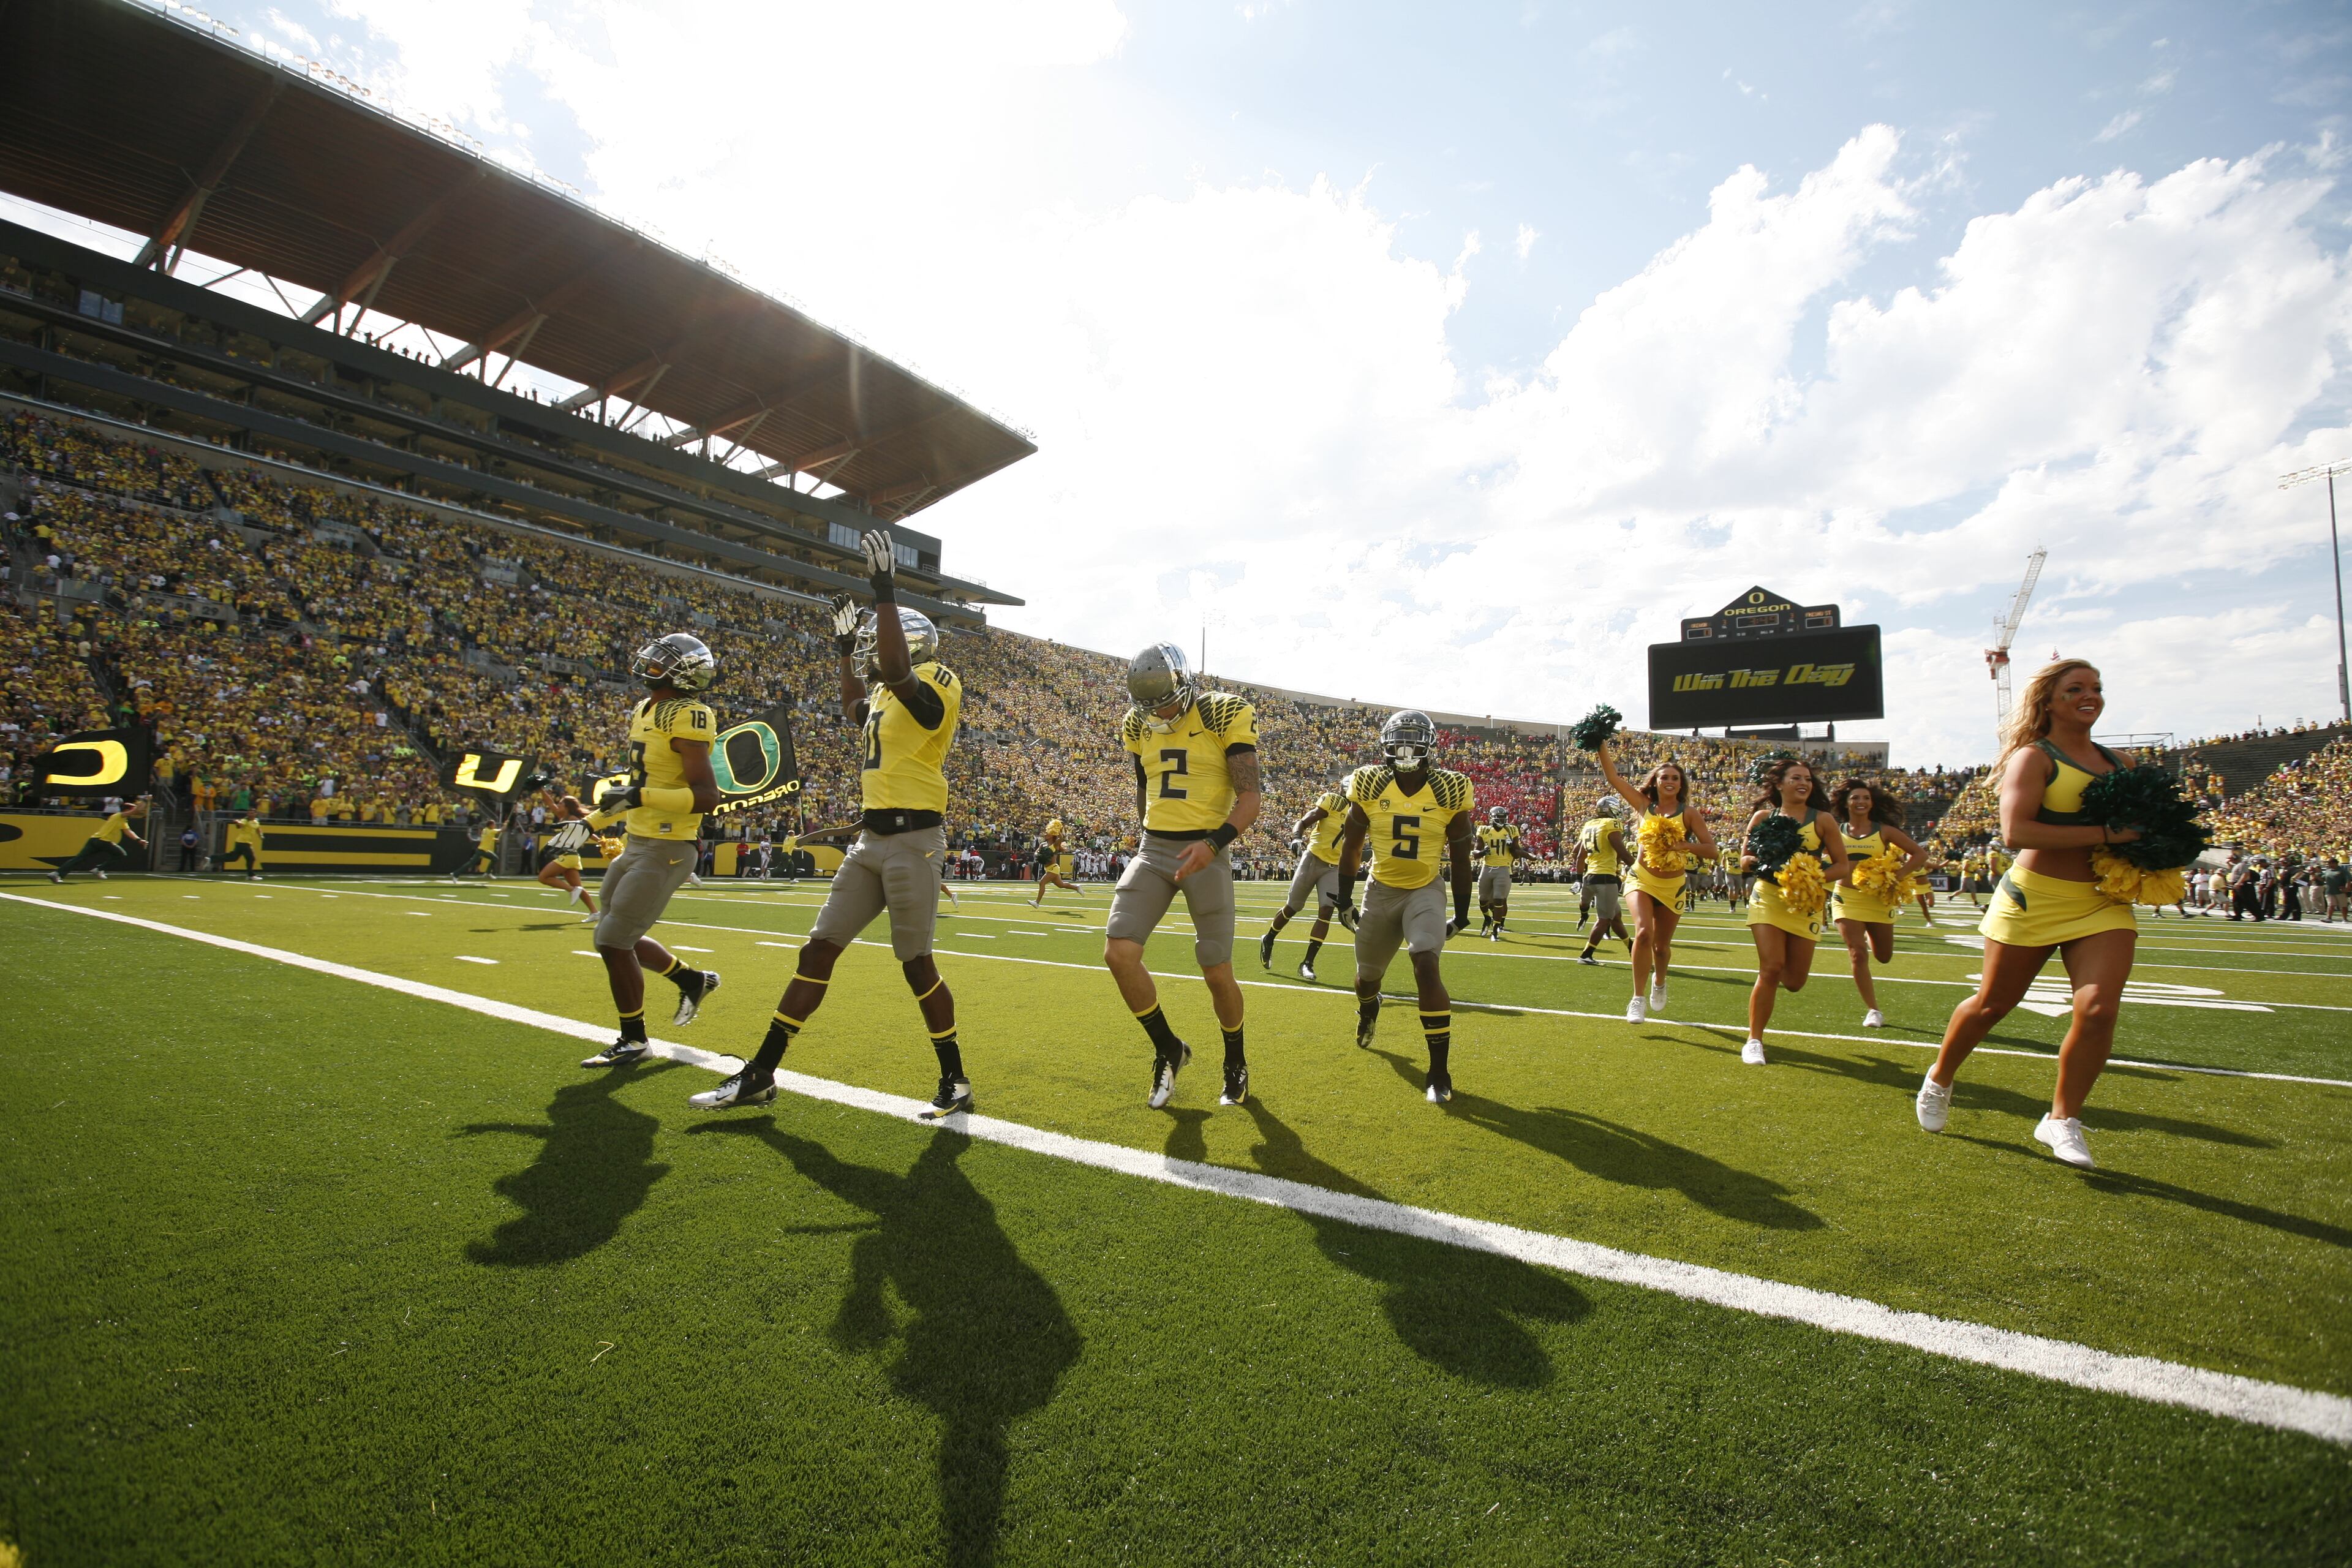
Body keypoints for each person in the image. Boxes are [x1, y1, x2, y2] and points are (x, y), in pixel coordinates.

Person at [692, 532, 970, 1117]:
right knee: (816, 953)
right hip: (871, 840)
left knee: (916, 964)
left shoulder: (938, 678)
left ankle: (956, 1080)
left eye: (877, 644)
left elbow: (894, 668)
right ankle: (761, 1073)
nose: (873, 652)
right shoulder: (885, 695)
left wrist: (885, 588)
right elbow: (852, 707)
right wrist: (844, 651)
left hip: (915, 840)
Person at [1917, 660, 2146, 1169]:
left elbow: (2145, 826)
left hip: (2103, 901)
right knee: (1992, 1005)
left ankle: (2062, 1119)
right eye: (2076, 689)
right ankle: (1940, 1077)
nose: (2090, 696)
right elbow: (2018, 833)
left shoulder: (2124, 764)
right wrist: (2107, 835)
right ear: (2049, 700)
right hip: (2034, 897)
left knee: (2098, 1009)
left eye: (2097, 689)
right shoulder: (2033, 759)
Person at [1101, 641, 1261, 1109]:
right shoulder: (1135, 723)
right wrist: (1147, 839)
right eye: (1153, 706)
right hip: (1156, 848)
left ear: (1187, 683)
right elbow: (1143, 787)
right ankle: (1169, 1048)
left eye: (1168, 700)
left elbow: (1250, 799)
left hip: (1207, 849)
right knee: (1118, 952)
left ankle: (1235, 1060)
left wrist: (1213, 844)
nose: (1163, 712)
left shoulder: (1222, 713)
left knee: (1215, 969)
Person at [575, 632, 726, 1068]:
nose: (651, 661)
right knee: (615, 930)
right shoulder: (646, 708)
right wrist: (588, 823)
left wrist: (640, 799)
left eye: (664, 660)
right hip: (638, 839)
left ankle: (634, 1039)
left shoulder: (688, 713)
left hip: (669, 846)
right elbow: (636, 787)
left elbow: (706, 796)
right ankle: (692, 979)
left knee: (612, 939)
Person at [1332, 710, 1475, 1103]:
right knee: (1367, 979)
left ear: (1430, 744)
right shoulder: (1369, 781)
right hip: (1380, 891)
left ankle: (1439, 1071)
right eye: (1400, 738)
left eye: (1414, 737)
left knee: (1425, 962)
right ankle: (1368, 1008)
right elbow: (1352, 846)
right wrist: (1344, 900)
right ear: (1386, 744)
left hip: (1424, 890)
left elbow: (1461, 857)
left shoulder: (1450, 788)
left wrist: (1462, 913)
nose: (1407, 746)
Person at [1738, 759, 1853, 1065]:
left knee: (1794, 981)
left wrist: (1810, 876)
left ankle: (1757, 1032)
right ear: (1779, 784)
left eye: (1808, 779)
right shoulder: (1762, 817)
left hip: (1805, 901)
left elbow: (1842, 865)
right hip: (1768, 898)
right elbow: (1744, 859)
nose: (1804, 783)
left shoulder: (1823, 820)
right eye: (1796, 778)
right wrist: (1756, 863)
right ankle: (1754, 1040)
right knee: (1771, 967)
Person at [1595, 737, 1717, 1023]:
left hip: (1673, 885)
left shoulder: (1689, 814)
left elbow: (1712, 851)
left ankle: (1659, 982)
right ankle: (1637, 998)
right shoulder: (1643, 806)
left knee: (1661, 949)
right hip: (1642, 878)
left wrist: (1684, 846)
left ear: (1681, 783)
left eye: (1675, 778)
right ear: (1657, 781)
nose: (1670, 781)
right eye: (1665, 777)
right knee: (1644, 934)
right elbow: (1613, 777)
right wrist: (1600, 740)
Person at [1828, 778, 1928, 1030]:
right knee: (1857, 953)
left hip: (1878, 899)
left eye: (1865, 798)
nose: (1860, 802)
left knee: (1883, 956)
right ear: (1846, 803)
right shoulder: (1834, 829)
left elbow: (1920, 854)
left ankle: (1871, 936)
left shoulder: (1884, 831)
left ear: (1872, 803)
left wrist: (1898, 876)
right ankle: (1873, 1010)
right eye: (1855, 798)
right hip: (1845, 897)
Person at [1259, 785, 1354, 981]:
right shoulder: (1333, 801)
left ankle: (1307, 963)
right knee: (1294, 907)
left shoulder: (1365, 812)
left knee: (1326, 912)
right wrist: (1296, 839)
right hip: (1313, 859)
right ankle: (1269, 938)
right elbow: (1303, 822)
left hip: (1334, 866)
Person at [1574, 799, 1634, 967]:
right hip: (1606, 878)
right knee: (1604, 919)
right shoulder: (1612, 824)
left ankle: (1632, 947)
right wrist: (1638, 868)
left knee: (1616, 916)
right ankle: (1586, 954)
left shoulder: (1589, 825)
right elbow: (1621, 850)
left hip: (1590, 877)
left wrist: (1578, 878)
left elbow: (1578, 855)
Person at [535, 789, 598, 921]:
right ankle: (595, 913)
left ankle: (571, 890)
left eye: (562, 804)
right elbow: (550, 803)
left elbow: (587, 831)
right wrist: (541, 790)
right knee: (579, 887)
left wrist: (601, 841)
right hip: (572, 857)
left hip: (567, 855)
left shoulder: (574, 819)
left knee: (544, 877)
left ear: (568, 807)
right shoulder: (564, 817)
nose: (559, 806)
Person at [48, 797, 148, 883]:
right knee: (121, 854)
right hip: (103, 841)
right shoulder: (118, 816)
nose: (133, 812)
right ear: (126, 811)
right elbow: (136, 811)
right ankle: (99, 869)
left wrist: (139, 840)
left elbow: (128, 832)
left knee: (79, 859)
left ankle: (57, 874)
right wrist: (146, 800)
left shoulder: (122, 821)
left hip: (95, 840)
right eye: (131, 810)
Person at [1474, 806, 1522, 940]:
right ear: (1492, 818)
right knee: (1483, 900)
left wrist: (1511, 844)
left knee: (1499, 900)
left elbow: (1516, 853)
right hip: (1487, 867)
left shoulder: (1511, 830)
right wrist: (1482, 852)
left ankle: (1496, 930)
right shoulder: (1483, 830)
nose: (1502, 820)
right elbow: (1475, 853)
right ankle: (1487, 918)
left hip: (1504, 868)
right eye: (1499, 817)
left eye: (1503, 817)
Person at [1031, 817, 1083, 905]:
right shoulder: (1043, 845)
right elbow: (1036, 852)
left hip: (1053, 868)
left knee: (1042, 883)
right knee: (1061, 885)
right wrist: (1037, 855)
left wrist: (1058, 829)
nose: (1046, 834)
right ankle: (1077, 888)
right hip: (1047, 869)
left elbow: (1061, 838)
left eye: (1048, 833)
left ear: (1052, 834)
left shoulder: (1055, 845)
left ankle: (1037, 902)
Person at [220, 807, 265, 881]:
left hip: (243, 843)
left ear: (256, 814)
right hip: (243, 842)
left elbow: (258, 828)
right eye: (249, 813)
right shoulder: (246, 820)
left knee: (234, 858)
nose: (251, 814)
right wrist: (237, 822)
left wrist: (261, 835)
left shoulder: (256, 821)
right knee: (251, 858)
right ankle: (251, 875)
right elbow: (241, 824)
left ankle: (211, 859)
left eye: (252, 813)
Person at [451, 817, 499, 881]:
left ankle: (488, 873)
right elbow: (501, 830)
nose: (495, 826)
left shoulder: (485, 830)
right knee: (471, 863)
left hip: (485, 850)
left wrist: (495, 839)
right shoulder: (490, 831)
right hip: (481, 851)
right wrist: (505, 825)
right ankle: (455, 874)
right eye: (494, 824)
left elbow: (488, 838)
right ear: (490, 825)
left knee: (495, 858)